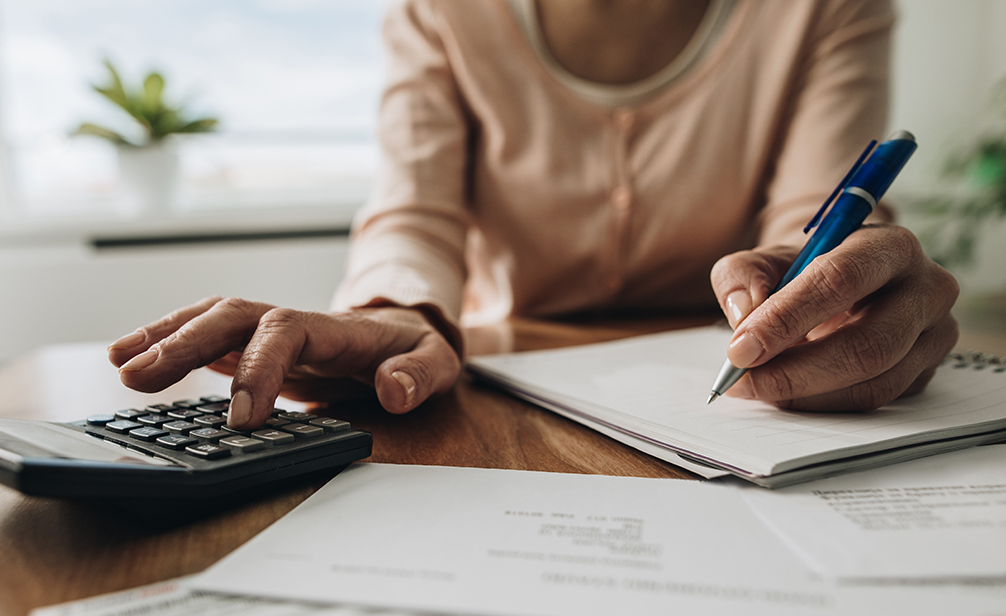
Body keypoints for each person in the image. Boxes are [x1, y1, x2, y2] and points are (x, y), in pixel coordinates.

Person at [108, 0, 959, 430]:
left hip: (736, 395)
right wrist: (393, 310)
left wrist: (831, 286)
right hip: (501, 390)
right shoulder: (442, 11)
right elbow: (415, 214)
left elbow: (813, 219)